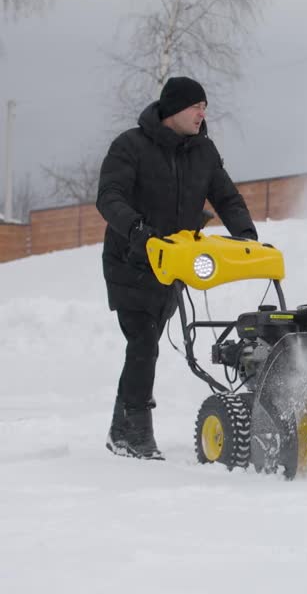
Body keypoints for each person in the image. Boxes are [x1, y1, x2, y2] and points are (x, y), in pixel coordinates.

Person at [96, 76, 257, 460]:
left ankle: (120, 429)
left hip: (175, 262)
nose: (202, 113)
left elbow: (226, 196)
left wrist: (247, 236)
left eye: (205, 107)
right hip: (131, 259)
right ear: (173, 109)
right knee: (144, 340)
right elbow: (109, 197)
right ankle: (135, 433)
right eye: (195, 106)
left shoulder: (203, 152)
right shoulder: (129, 146)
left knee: (146, 343)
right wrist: (138, 230)